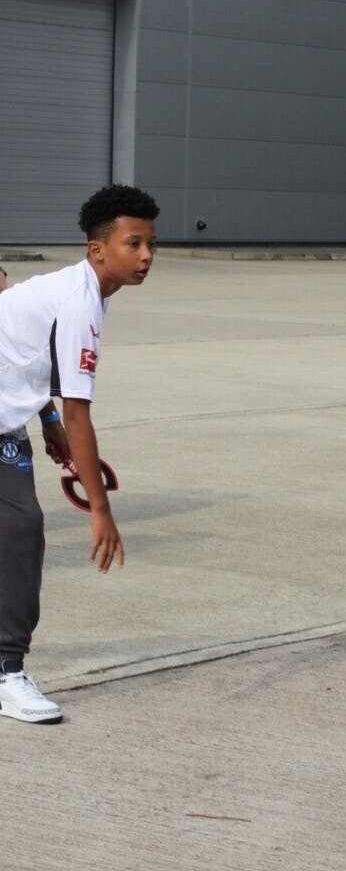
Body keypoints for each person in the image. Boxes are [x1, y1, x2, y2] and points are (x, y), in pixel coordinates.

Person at [0, 184, 159, 724]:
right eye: (134, 244)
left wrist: (41, 417)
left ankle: (5, 670)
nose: (146, 257)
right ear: (98, 250)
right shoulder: (79, 300)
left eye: (150, 246)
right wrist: (100, 509)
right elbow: (79, 413)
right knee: (20, 530)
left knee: (20, 531)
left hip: (5, 423)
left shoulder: (85, 291)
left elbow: (27, 355)